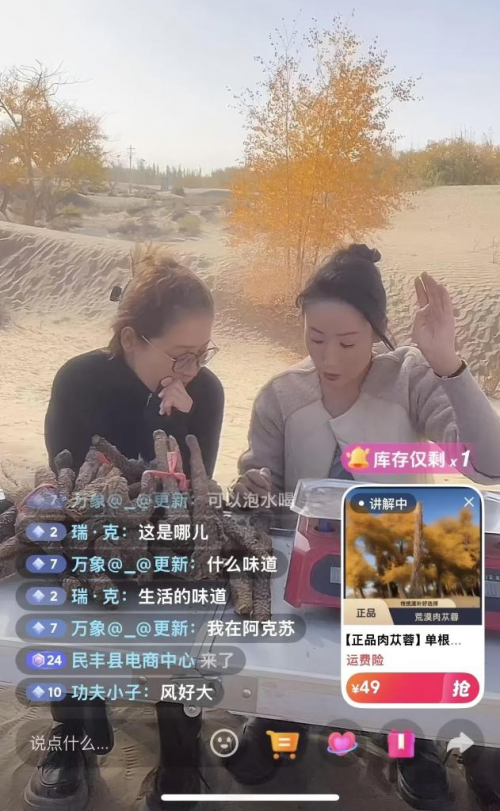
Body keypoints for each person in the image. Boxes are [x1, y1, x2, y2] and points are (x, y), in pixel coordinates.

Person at [230, 243, 500, 809]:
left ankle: (415, 739)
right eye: (315, 338)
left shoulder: (412, 378)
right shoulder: (281, 394)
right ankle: (281, 713)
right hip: (310, 570)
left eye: (348, 342)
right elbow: (262, 493)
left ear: (376, 332)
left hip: (402, 566)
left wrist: (449, 365)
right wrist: (254, 485)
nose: (329, 356)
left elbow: (488, 464)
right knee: (290, 642)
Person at [24, 244, 224, 811]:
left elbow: (189, 492)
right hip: (91, 530)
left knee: (185, 589)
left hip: (165, 535)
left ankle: (181, 748)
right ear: (132, 338)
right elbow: (69, 480)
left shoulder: (204, 391)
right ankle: (74, 730)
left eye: (202, 354)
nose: (192, 370)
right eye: (180, 356)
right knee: (63, 574)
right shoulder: (79, 380)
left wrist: (171, 422)